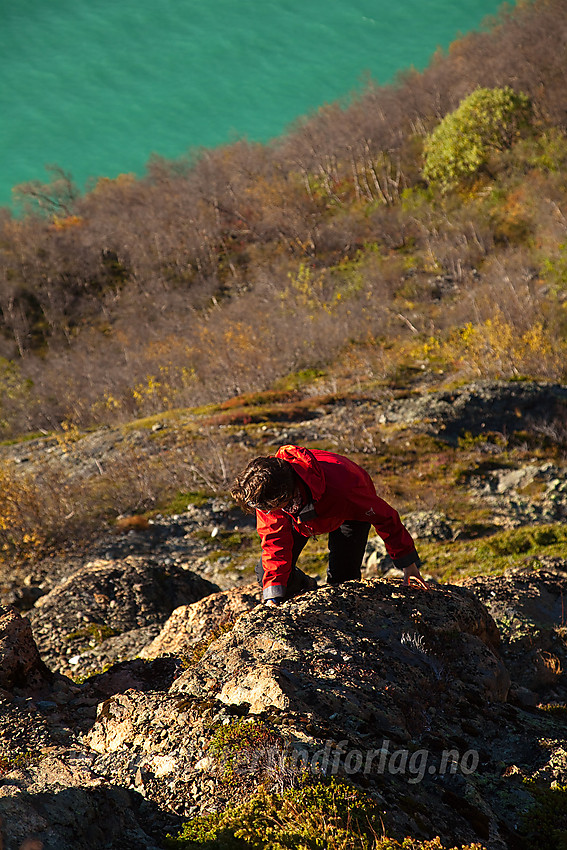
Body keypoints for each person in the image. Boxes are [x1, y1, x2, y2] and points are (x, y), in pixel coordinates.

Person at [230, 444, 428, 606]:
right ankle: (306, 586)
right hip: (300, 513)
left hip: (348, 513)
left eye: (268, 509)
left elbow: (385, 517)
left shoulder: (345, 490)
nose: (264, 512)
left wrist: (407, 563)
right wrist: (273, 596)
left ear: (284, 497)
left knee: (343, 583)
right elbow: (274, 542)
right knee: (267, 574)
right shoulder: (266, 494)